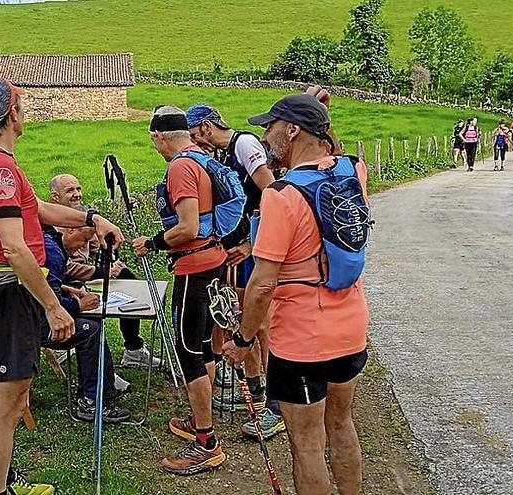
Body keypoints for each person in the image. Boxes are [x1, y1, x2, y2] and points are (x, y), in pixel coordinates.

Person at [0, 77, 123, 495]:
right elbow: (15, 248)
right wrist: (53, 305)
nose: (23, 113)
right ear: (11, 113)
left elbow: (38, 210)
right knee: (9, 404)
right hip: (11, 295)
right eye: (21, 106)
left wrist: (91, 219)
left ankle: (3, 481)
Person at [225, 93, 369, 495]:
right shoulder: (352, 173)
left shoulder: (282, 197)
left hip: (304, 340)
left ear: (291, 130)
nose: (265, 136)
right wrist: (316, 111)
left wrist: (243, 338)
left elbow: (262, 285)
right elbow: (330, 149)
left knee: (306, 446)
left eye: (270, 127)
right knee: (341, 424)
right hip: (351, 328)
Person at [132, 106, 227, 475]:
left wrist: (153, 242)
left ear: (159, 137)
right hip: (214, 260)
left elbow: (188, 227)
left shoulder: (181, 168)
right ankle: (200, 419)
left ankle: (206, 442)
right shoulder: (203, 157)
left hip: (194, 267)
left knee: (188, 352)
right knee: (203, 345)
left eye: (153, 140)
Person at [184, 103, 285, 440]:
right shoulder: (226, 153)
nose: (196, 142)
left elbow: (272, 192)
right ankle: (256, 391)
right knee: (243, 319)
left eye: (197, 134)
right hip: (241, 246)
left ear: (208, 126)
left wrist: (254, 245)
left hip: (256, 247)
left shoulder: (243, 144)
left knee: (261, 324)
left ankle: (276, 403)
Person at [49, 174, 162, 370]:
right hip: (63, 279)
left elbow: (97, 247)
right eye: (70, 191)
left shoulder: (84, 217)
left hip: (83, 275)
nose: (77, 195)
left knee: (127, 277)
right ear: (55, 197)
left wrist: (113, 262)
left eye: (78, 189)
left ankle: (133, 348)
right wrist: (100, 271)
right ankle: (99, 366)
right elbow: (62, 267)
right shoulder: (51, 228)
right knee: (93, 309)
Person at [41, 225, 131, 423]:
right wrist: (78, 305)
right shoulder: (53, 252)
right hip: (34, 323)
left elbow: (43, 284)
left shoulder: (51, 243)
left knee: (93, 321)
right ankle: (91, 402)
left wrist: (66, 290)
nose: (84, 246)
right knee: (91, 330)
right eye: (84, 240)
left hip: (30, 313)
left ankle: (103, 389)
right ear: (70, 230)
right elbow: (48, 304)